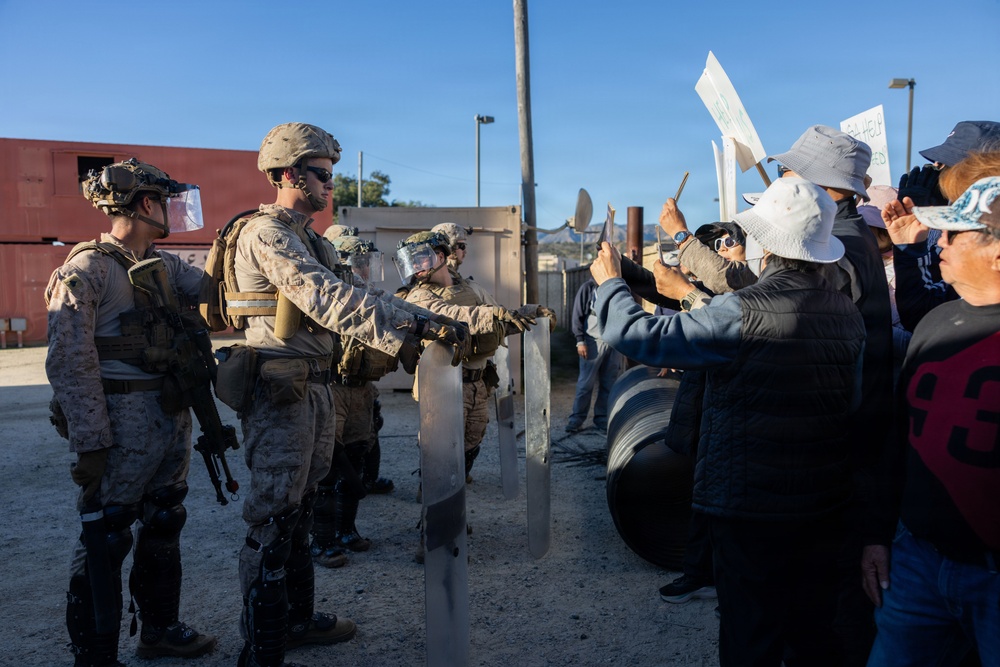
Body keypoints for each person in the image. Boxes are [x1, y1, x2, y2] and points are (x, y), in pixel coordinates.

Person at [592, 177, 866, 667]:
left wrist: (610, 283)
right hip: (824, 503)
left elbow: (635, 334)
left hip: (749, 504)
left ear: (767, 242)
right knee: (813, 631)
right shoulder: (845, 311)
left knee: (749, 632)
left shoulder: (742, 311)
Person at [233, 122, 467, 667]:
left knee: (303, 506)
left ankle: (295, 620)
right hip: (280, 389)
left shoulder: (309, 237)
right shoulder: (268, 234)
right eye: (322, 175)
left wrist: (425, 318)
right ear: (290, 173)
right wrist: (409, 332)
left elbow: (362, 291)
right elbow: (328, 297)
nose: (329, 186)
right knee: (273, 518)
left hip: (312, 387)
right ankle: (261, 647)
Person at [46, 158, 217, 666]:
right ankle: (94, 656)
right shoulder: (87, 269)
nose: (169, 211)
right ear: (147, 203)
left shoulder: (163, 266)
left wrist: (235, 249)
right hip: (121, 421)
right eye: (164, 201)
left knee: (165, 517)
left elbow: (214, 291)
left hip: (168, 414)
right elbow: (69, 362)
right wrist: (92, 441)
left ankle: (159, 631)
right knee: (108, 531)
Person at [861, 176, 1000, 667]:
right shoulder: (938, 323)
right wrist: (878, 534)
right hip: (918, 561)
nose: (938, 241)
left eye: (955, 233)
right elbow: (898, 440)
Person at [396, 230, 546, 559]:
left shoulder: (472, 288)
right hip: (444, 383)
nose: (418, 267)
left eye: (423, 257)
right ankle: (431, 535)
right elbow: (454, 318)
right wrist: (493, 314)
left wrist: (523, 314)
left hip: (478, 383)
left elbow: (496, 321)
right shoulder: (418, 296)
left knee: (467, 450)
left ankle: (451, 517)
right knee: (439, 458)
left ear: (440, 255)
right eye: (413, 261)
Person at [309, 234, 404, 568]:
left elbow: (396, 308)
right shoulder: (325, 295)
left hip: (362, 388)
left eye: (367, 263)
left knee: (357, 455)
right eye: (358, 263)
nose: (364, 269)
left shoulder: (369, 294)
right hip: (332, 385)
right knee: (328, 465)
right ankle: (322, 540)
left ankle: (347, 530)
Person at [889, 121, 1000, 330]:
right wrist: (910, 247)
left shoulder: (988, 225)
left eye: (949, 165)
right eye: (938, 163)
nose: (936, 170)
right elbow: (922, 313)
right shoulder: (939, 215)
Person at [566, 277, 623, 433]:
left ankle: (602, 420)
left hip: (614, 341)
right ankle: (576, 420)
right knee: (585, 384)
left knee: (609, 383)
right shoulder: (588, 287)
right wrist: (580, 341)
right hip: (592, 341)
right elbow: (577, 314)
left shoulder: (619, 286)